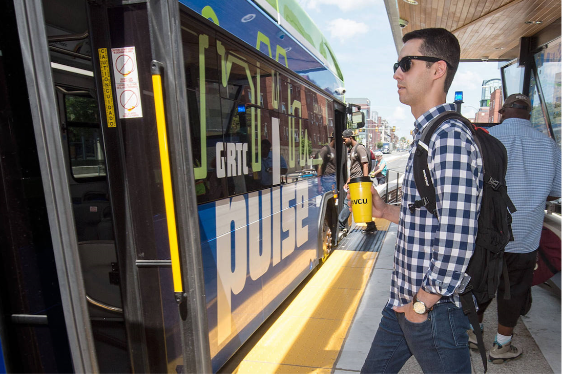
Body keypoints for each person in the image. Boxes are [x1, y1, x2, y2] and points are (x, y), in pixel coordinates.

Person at [360, 28, 481, 373]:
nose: (397, 73)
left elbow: (458, 235)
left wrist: (423, 303)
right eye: (397, 65)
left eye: (406, 63)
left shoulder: (449, 138)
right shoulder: (427, 134)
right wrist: (384, 210)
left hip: (431, 310)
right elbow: (430, 217)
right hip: (403, 301)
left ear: (437, 70)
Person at [467, 93, 561, 363]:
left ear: (502, 112)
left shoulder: (485, 140)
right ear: (529, 115)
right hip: (526, 234)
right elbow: (556, 192)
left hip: (488, 231)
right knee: (516, 287)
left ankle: (474, 334)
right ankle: (502, 346)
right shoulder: (549, 145)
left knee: (480, 281)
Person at [338, 129, 377, 233]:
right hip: (354, 180)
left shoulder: (359, 148)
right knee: (358, 204)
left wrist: (365, 181)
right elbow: (354, 168)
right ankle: (371, 225)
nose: (343, 141)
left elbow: (365, 164)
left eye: (344, 139)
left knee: (349, 202)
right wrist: (347, 181)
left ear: (350, 137)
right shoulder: (353, 149)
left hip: (359, 182)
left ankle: (340, 226)